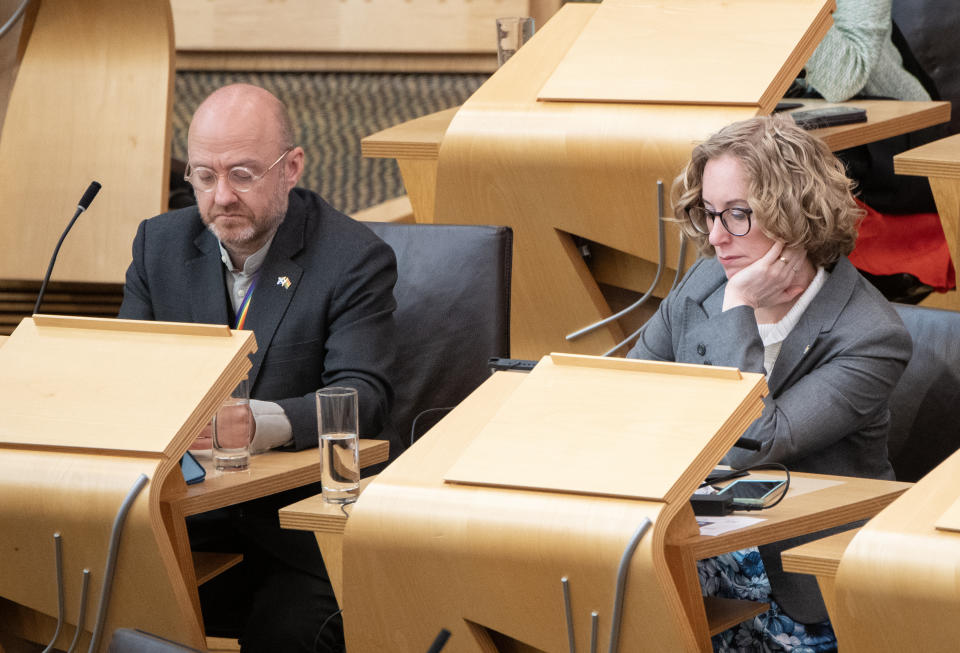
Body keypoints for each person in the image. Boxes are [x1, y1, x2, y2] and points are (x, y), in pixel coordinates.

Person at [118, 83, 398, 652]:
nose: (221, 196)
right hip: (179, 521)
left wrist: (260, 423)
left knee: (285, 632)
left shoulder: (352, 258)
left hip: (292, 535)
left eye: (242, 174)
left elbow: (363, 396)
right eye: (203, 175)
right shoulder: (158, 245)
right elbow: (125, 377)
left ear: (290, 167)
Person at [627, 115, 912, 651]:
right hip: (691, 540)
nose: (714, 238)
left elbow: (750, 441)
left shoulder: (870, 335)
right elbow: (631, 393)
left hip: (796, 578)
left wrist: (739, 310)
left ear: (795, 214)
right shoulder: (703, 282)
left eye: (737, 215)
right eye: (710, 214)